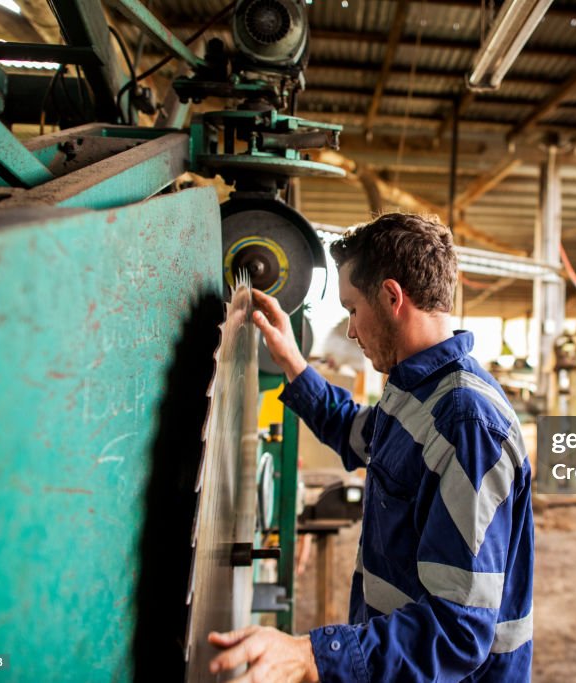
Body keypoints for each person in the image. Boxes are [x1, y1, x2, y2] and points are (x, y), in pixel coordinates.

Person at [208, 213, 535, 682]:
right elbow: (356, 432)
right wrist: (292, 363)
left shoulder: (466, 425)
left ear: (391, 297)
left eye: (352, 310)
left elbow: (458, 630)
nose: (352, 331)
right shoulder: (418, 390)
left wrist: (313, 656)